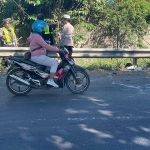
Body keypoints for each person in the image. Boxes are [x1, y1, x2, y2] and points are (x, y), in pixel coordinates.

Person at [27, 20, 62, 88]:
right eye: (43, 27)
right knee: (54, 63)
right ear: (39, 28)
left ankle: (47, 77)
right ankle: (51, 80)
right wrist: (57, 50)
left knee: (49, 65)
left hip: (35, 56)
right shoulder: (38, 37)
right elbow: (46, 46)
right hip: (38, 56)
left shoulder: (33, 35)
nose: (44, 29)